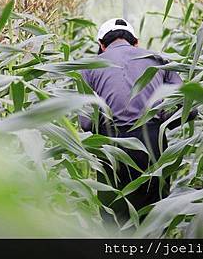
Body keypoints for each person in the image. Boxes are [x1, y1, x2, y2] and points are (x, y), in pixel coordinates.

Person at [78, 18, 196, 222]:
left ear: (102, 45)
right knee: (153, 215)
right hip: (152, 142)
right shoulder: (158, 60)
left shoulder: (89, 67)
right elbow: (189, 109)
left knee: (115, 219)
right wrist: (161, 120)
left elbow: (86, 123)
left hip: (110, 146)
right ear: (136, 42)